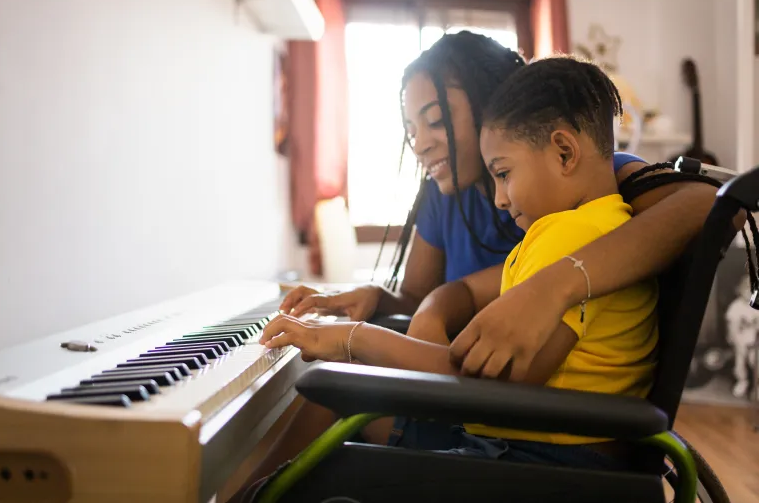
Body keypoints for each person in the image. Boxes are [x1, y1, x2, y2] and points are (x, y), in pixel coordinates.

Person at [247, 56, 658, 487]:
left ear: (564, 151)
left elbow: (496, 386)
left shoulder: (568, 236)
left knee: (324, 469)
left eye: (504, 173)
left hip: (543, 460)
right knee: (348, 408)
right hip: (537, 441)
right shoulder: (606, 225)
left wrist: (355, 339)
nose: (500, 198)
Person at [280, 31, 720, 377]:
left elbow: (713, 204)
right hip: (469, 391)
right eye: (411, 130)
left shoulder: (590, 183)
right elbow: (419, 296)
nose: (420, 144)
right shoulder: (443, 193)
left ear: (493, 105)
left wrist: (552, 286)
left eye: (435, 121)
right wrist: (377, 298)